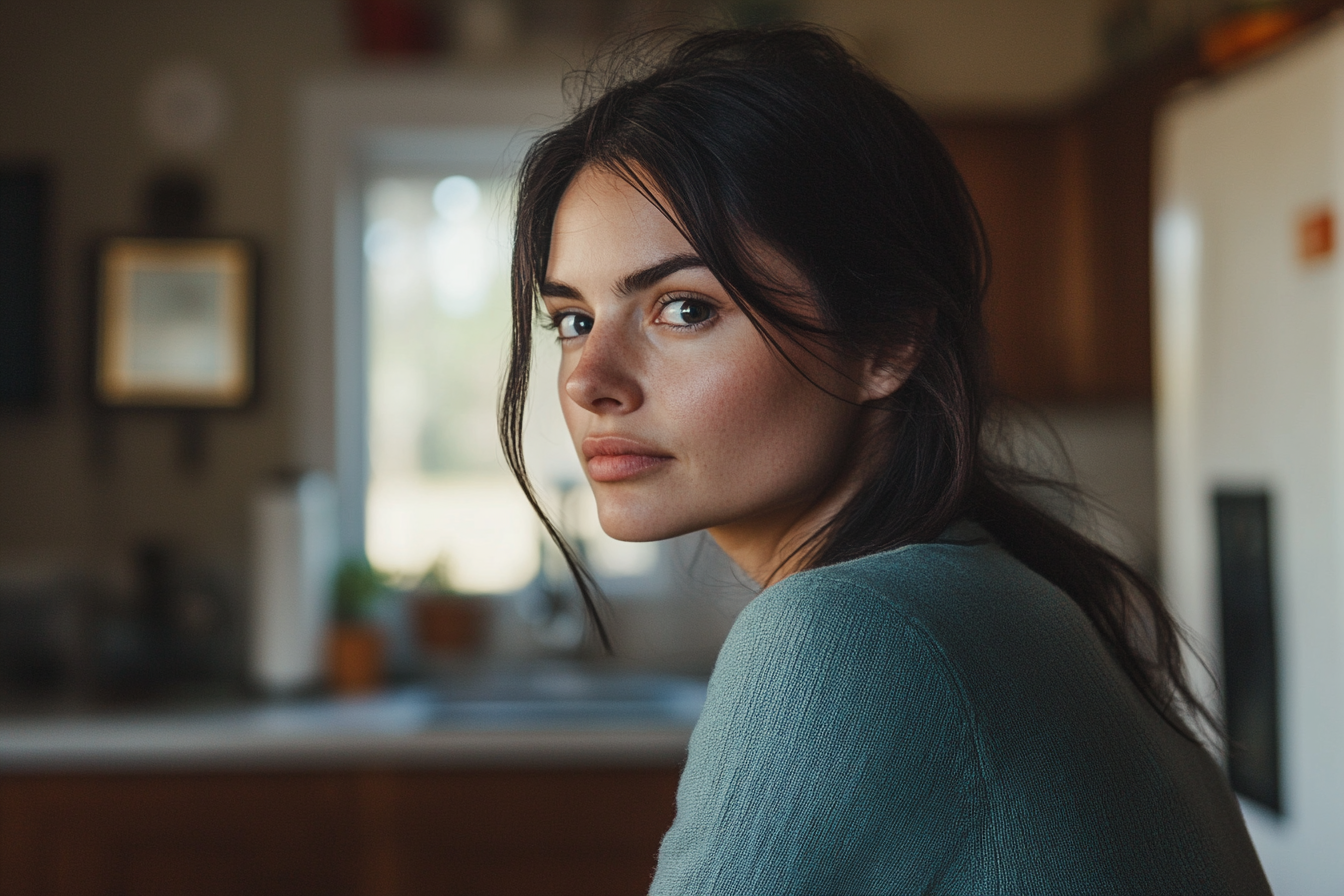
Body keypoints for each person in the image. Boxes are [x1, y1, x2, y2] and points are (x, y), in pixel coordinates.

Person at [499, 25, 1271, 895]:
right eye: (572, 319)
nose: (590, 381)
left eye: (682, 309)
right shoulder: (990, 588)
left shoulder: (848, 635)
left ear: (886, 341)